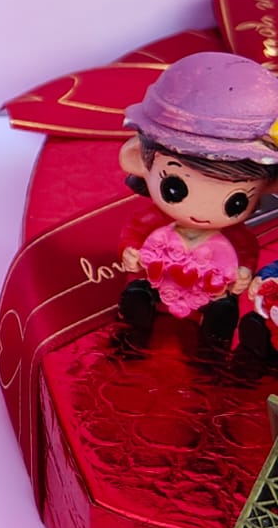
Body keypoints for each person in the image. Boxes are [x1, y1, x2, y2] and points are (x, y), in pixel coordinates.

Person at [116, 51, 278, 351]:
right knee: (140, 291)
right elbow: (136, 232)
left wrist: (243, 272)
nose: (203, 213)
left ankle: (214, 337)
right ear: (137, 158)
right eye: (174, 188)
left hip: (211, 287)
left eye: (235, 201)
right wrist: (132, 251)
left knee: (223, 307)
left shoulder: (234, 236)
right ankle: (136, 319)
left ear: (267, 187)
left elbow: (245, 251)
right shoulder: (154, 222)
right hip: (159, 278)